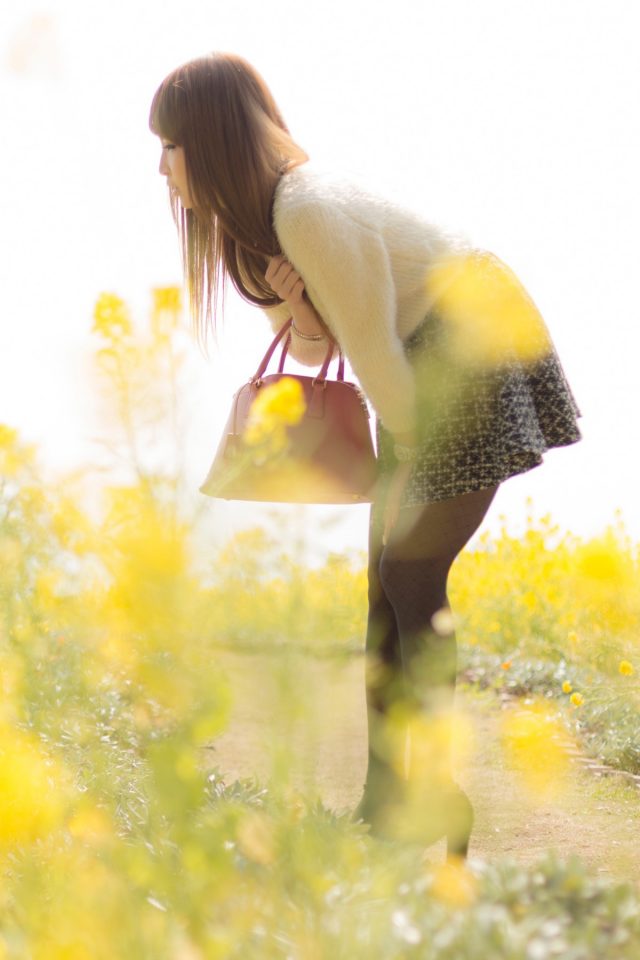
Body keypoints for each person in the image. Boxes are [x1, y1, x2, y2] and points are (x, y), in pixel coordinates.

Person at [149, 51, 582, 861]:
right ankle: (386, 802)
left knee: (409, 576)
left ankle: (437, 794)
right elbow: (320, 352)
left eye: (169, 146)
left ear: (206, 141)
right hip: (419, 363)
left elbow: (376, 349)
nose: (162, 166)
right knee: (384, 586)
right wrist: (304, 312)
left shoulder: (306, 207)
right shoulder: (271, 222)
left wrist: (412, 449)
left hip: (466, 341)